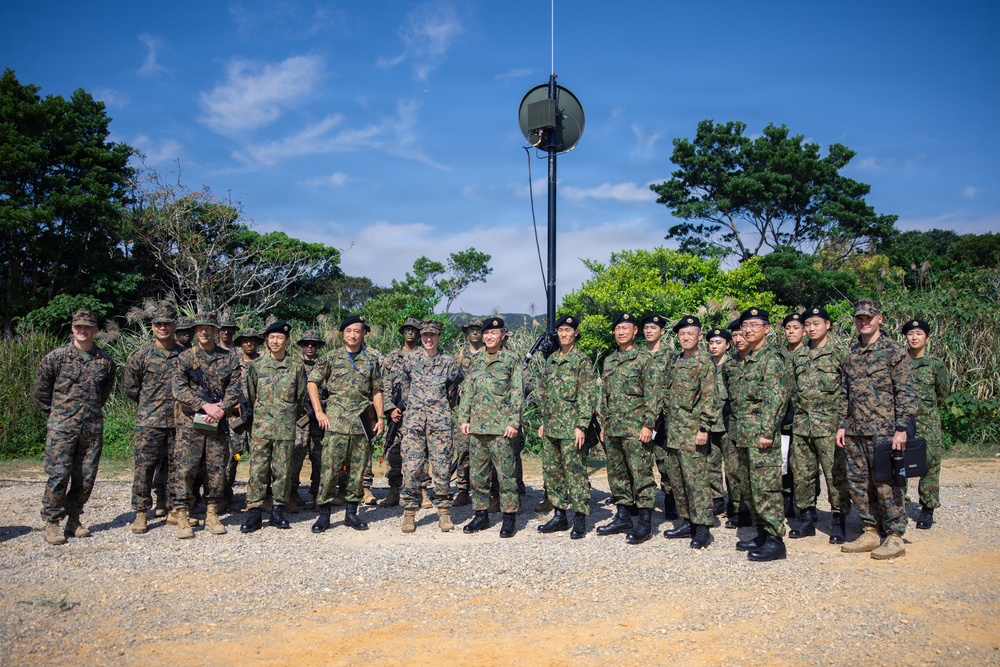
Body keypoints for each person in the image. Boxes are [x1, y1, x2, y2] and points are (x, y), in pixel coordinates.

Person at [837, 299, 918, 560]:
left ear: (879, 319)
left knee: (888, 482)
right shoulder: (852, 353)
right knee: (858, 483)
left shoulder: (894, 351)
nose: (864, 322)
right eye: (859, 318)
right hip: (855, 430)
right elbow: (844, 393)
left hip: (885, 431)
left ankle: (895, 535)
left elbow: (905, 391)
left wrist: (902, 428)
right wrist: (841, 424)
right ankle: (870, 530)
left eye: (868, 318)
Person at [34, 310, 117, 545]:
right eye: (78, 326)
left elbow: (104, 393)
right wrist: (60, 415)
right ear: (72, 329)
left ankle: (74, 519)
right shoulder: (56, 358)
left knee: (85, 477)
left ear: (96, 331)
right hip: (62, 427)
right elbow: (41, 392)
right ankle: (52, 523)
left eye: (88, 327)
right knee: (58, 475)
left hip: (91, 428)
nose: (83, 330)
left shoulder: (105, 361)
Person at [307, 315, 384, 533]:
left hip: (362, 424)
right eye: (349, 331)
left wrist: (380, 418)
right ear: (342, 333)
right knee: (330, 471)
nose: (353, 335)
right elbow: (312, 382)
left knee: (357, 472)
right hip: (337, 424)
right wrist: (319, 411)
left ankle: (351, 514)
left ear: (363, 333)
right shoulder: (330, 359)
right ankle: (324, 515)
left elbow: (376, 390)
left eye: (357, 331)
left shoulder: (370, 360)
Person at [171, 312, 243, 539]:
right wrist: (204, 405)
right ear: (194, 331)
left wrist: (221, 408)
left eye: (208, 328)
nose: (204, 332)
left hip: (217, 423)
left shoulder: (228, 358)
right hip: (190, 423)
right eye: (199, 328)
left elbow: (235, 386)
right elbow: (179, 389)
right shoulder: (185, 358)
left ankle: (212, 513)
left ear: (215, 331)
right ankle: (182, 514)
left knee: (216, 469)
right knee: (185, 469)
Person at [729, 308, 791, 562]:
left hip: (761, 437)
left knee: (766, 489)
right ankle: (762, 533)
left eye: (755, 324)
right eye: (745, 325)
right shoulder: (747, 359)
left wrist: (767, 432)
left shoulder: (771, 359)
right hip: (744, 435)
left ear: (767, 328)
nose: (749, 329)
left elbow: (776, 398)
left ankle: (776, 540)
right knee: (751, 489)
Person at [391, 320, 463, 533]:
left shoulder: (448, 363)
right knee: (412, 469)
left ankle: (444, 513)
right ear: (421, 337)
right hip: (414, 424)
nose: (428, 339)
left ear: (439, 337)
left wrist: (439, 410)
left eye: (433, 335)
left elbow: (452, 392)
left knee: (442, 469)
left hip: (439, 424)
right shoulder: (410, 360)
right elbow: (404, 389)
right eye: (425, 336)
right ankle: (409, 514)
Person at [788, 306, 852, 544]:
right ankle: (806, 519)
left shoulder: (839, 354)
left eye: (817, 323)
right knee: (802, 474)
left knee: (836, 476)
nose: (812, 328)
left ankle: (838, 522)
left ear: (828, 325)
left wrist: (843, 424)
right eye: (808, 324)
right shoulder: (800, 356)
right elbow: (793, 391)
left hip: (830, 427)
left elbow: (847, 392)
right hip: (803, 426)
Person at [123, 306, 186, 534]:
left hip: (178, 422)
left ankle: (170, 507)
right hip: (149, 421)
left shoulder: (184, 356)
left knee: (174, 466)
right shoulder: (141, 356)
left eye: (167, 323)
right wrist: (149, 406)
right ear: (152, 328)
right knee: (145, 467)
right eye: (158, 324)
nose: (163, 327)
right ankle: (141, 512)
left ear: (174, 327)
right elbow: (131, 389)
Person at [459, 317, 524, 538]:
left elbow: (517, 393)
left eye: (494, 333)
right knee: (478, 476)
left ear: (503, 336)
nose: (489, 336)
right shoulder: (475, 361)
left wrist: (514, 422)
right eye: (486, 333)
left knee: (506, 476)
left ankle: (509, 518)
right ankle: (480, 515)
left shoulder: (511, 360)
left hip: (501, 429)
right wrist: (463, 418)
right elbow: (467, 391)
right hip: (477, 428)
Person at [596, 313, 657, 545]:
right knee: (617, 474)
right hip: (613, 428)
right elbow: (606, 397)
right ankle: (623, 515)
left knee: (641, 474)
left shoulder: (643, 359)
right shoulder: (609, 361)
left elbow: (653, 394)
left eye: (626, 328)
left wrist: (648, 424)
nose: (621, 332)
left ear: (635, 332)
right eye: (618, 328)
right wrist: (603, 424)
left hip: (636, 428)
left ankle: (645, 521)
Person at [240, 322, 307, 533]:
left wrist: (286, 416)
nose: (275, 341)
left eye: (279, 338)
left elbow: (300, 397)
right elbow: (251, 395)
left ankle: (278, 511)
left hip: (285, 428)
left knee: (282, 471)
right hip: (261, 428)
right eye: (271, 338)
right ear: (267, 341)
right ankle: (254, 512)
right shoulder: (257, 366)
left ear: (287, 341)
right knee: (257, 470)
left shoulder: (296, 366)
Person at [659, 316, 719, 549]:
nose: (685, 337)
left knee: (696, 481)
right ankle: (687, 521)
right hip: (674, 432)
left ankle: (703, 527)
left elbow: (709, 398)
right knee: (678, 480)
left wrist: (704, 427)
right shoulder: (675, 361)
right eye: (682, 334)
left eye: (690, 334)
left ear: (699, 337)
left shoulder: (703, 363)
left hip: (693, 431)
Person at [535, 315, 597, 539]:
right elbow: (545, 393)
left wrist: (582, 425)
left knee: (576, 473)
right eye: (560, 330)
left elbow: (587, 396)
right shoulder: (551, 359)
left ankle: (580, 519)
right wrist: (544, 421)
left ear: (576, 333)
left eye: (567, 330)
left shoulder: (581, 361)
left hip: (572, 428)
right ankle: (560, 516)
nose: (563, 334)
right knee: (553, 473)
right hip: (552, 427)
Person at [902, 319, 949, 530]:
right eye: (910, 334)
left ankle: (927, 509)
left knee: (930, 467)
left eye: (919, 334)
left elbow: (942, 393)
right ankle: (899, 505)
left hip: (927, 423)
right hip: (903, 423)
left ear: (927, 338)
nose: (914, 338)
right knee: (898, 464)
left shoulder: (935, 365)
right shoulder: (899, 362)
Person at [379, 318, 426, 508]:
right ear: (402, 332)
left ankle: (422, 491)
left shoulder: (426, 355)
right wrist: (390, 408)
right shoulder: (392, 358)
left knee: (422, 454)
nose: (410, 333)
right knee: (393, 452)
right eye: (407, 329)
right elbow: (385, 385)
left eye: (414, 330)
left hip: (419, 413)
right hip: (397, 415)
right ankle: (393, 491)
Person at [641, 313, 680, 521]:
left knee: (665, 462)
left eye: (653, 328)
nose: (649, 331)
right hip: (641, 416)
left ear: (662, 332)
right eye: (646, 328)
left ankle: (670, 499)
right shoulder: (637, 355)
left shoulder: (671, 356)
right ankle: (640, 501)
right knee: (641, 460)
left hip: (664, 417)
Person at [289, 329, 326, 509]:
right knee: (296, 456)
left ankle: (318, 494)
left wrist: (320, 408)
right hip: (300, 419)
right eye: (306, 344)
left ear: (318, 346)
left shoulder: (325, 364)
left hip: (319, 419)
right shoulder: (294, 365)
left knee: (319, 458)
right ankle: (292, 493)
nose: (310, 347)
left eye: (313, 344)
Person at [225, 327, 261, 510]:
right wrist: (232, 403)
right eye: (245, 340)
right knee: (235, 456)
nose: (249, 343)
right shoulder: (232, 361)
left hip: (258, 420)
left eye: (253, 340)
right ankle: (225, 494)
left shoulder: (264, 362)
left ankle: (257, 496)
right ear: (240, 343)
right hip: (237, 421)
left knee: (259, 458)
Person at [722, 319, 753, 529]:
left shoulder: (763, 361)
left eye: (741, 334)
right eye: (734, 335)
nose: (738, 339)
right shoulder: (730, 364)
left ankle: (757, 512)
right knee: (734, 470)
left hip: (756, 427)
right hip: (734, 426)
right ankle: (739, 509)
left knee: (755, 473)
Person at [453, 319, 484, 508]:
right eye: (471, 330)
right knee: (463, 451)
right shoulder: (461, 355)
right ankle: (463, 490)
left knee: (484, 452)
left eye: (478, 330)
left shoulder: (488, 352)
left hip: (483, 411)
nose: (475, 333)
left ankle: (483, 490)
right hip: (465, 411)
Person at [780, 312, 805, 519]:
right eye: (788, 328)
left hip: (806, 419)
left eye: (795, 328)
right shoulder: (778, 356)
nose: (791, 332)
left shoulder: (810, 354)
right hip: (783, 419)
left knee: (805, 465)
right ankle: (787, 502)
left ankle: (808, 507)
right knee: (784, 463)